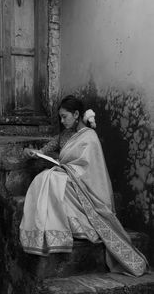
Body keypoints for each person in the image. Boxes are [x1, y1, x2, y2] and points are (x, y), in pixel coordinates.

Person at [20, 95, 148, 277]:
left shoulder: (89, 136)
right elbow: (43, 151)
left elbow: (89, 168)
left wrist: (65, 169)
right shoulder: (63, 135)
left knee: (51, 179)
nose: (62, 120)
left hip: (87, 185)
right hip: (69, 177)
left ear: (76, 114)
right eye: (60, 117)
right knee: (46, 178)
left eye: (65, 116)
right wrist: (33, 153)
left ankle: (76, 225)